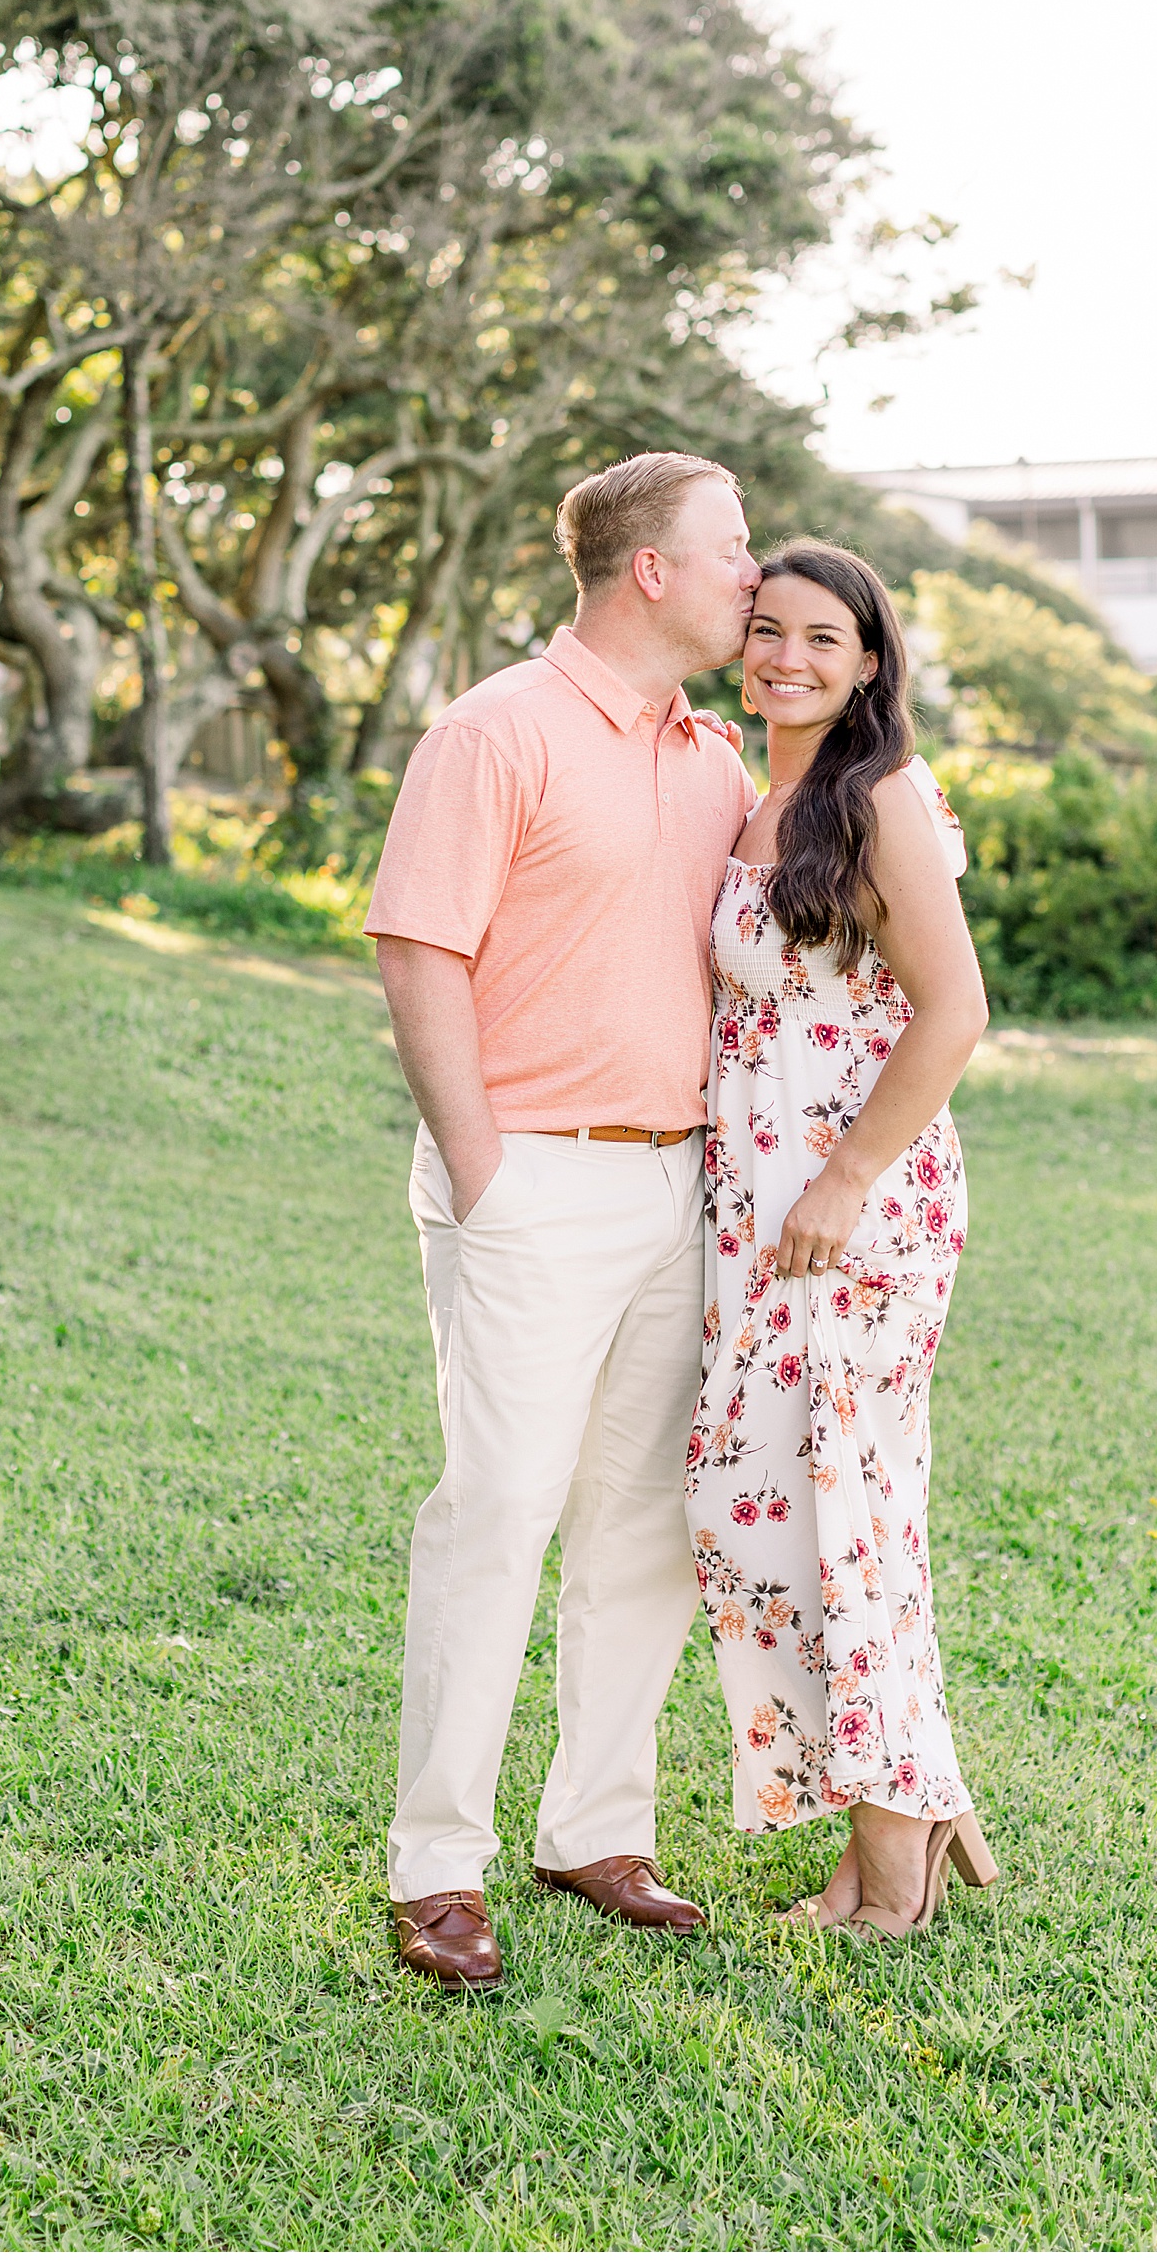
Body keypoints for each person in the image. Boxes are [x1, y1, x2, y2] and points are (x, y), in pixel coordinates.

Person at [365, 451, 761, 1989]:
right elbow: (419, 953)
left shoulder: (712, 758)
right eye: (730, 551)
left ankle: (597, 1826)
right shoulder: (494, 730)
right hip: (529, 1175)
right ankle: (436, 1867)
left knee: (644, 1526)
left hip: (682, 1186)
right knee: (498, 1515)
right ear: (649, 569)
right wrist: (487, 1171)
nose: (751, 573)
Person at [686, 541, 998, 1939]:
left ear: (872, 661)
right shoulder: (764, 803)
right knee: (762, 1505)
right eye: (765, 630)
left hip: (855, 1213)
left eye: (822, 637)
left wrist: (842, 1182)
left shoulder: (880, 801)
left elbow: (954, 1010)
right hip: (760, 1208)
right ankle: (907, 1799)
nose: (786, 657)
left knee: (840, 1512)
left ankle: (891, 1853)